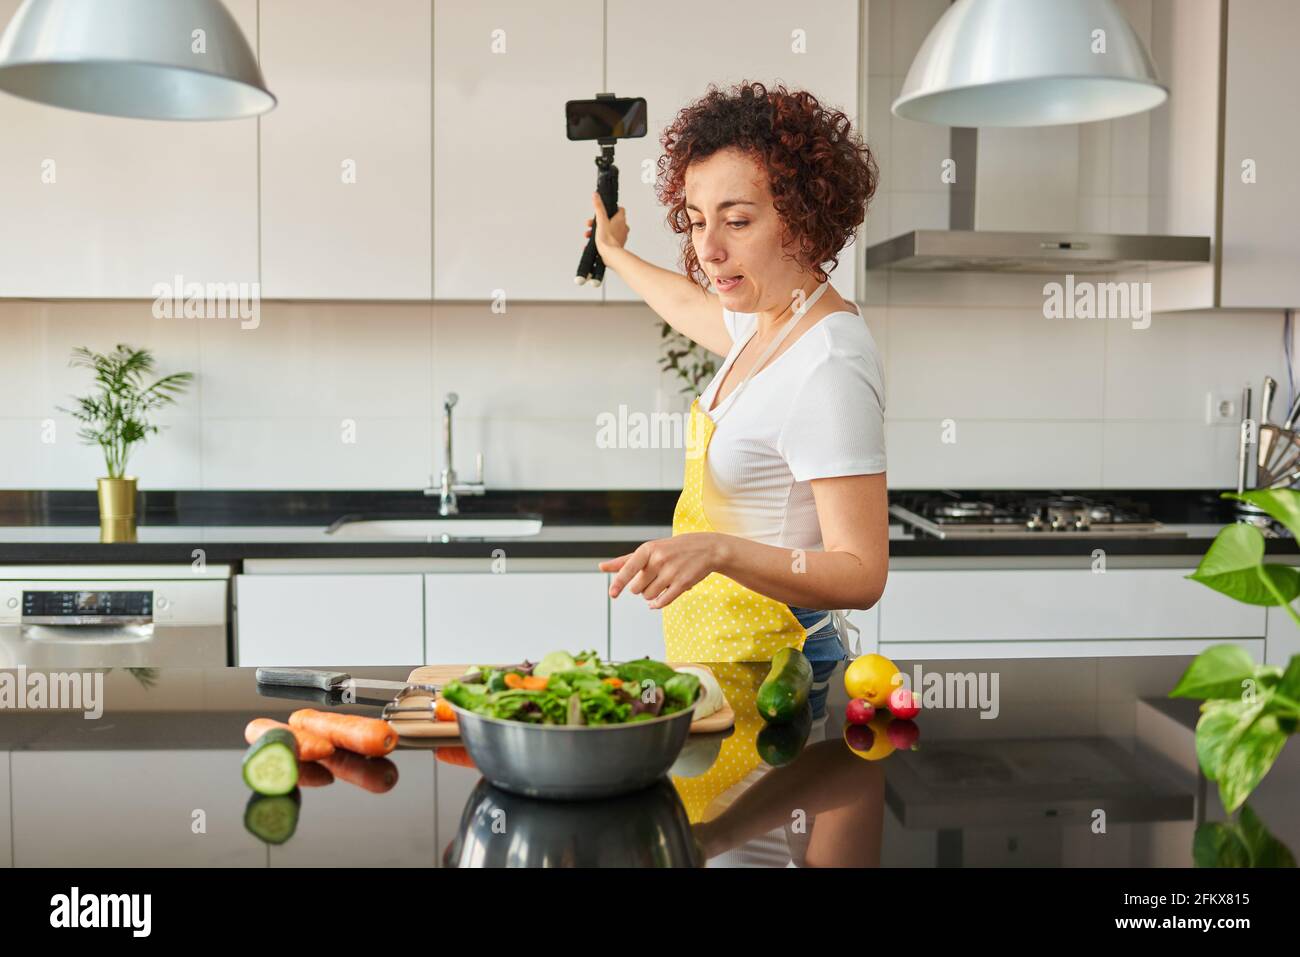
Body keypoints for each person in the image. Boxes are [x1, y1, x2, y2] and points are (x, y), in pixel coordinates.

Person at [591, 81, 887, 714]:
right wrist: (614, 253)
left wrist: (718, 550)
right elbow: (682, 301)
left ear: (806, 219)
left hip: (780, 675)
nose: (708, 248)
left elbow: (862, 573)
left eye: (738, 220)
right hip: (723, 667)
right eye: (698, 221)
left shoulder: (829, 362)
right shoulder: (767, 321)